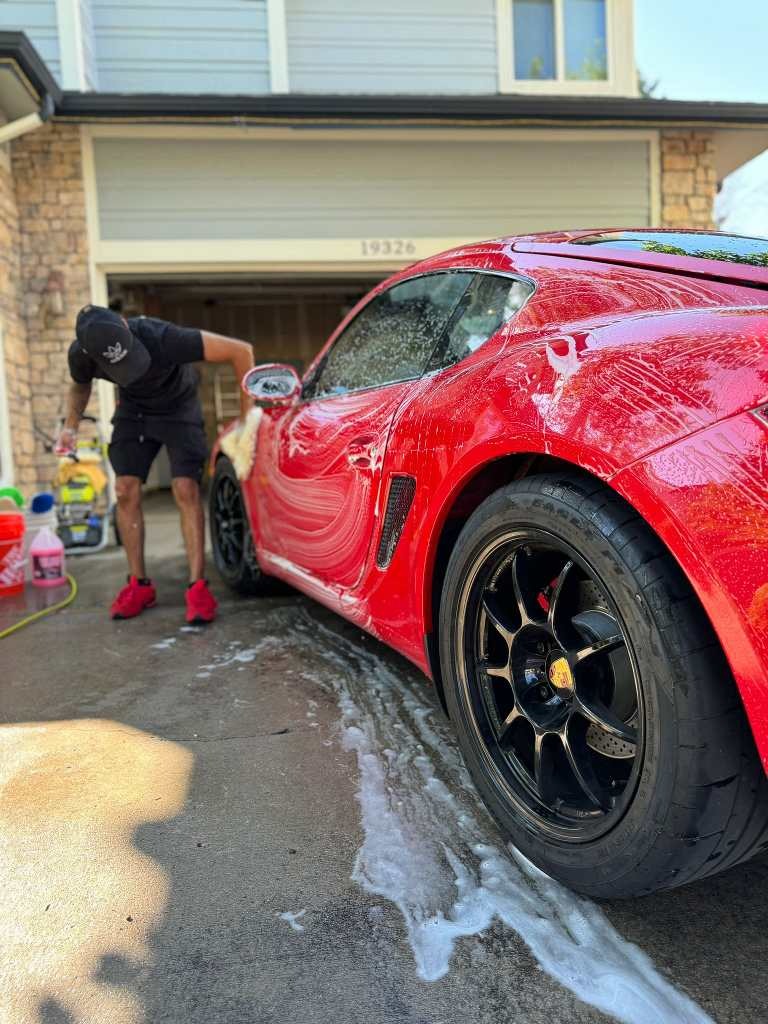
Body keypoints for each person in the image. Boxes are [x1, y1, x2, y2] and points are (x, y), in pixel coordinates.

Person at [56, 305, 254, 624]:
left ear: (125, 325)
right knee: (125, 490)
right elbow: (80, 385)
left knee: (186, 488)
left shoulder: (163, 337)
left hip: (179, 408)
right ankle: (139, 585)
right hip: (134, 411)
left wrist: (247, 422)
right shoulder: (80, 354)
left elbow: (241, 351)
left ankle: (197, 587)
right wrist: (70, 427)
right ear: (91, 354)